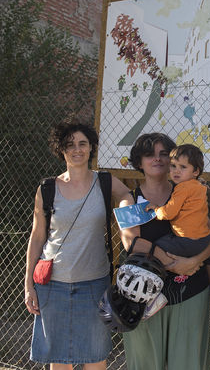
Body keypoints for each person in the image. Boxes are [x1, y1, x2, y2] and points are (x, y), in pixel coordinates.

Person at [24, 121, 134, 370]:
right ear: (60, 149)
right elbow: (38, 236)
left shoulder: (105, 182)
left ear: (91, 147)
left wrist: (126, 216)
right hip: (53, 285)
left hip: (94, 283)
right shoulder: (47, 188)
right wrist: (28, 283)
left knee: (95, 357)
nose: (76, 149)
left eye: (82, 143)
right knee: (59, 359)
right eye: (69, 144)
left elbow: (127, 195)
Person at [120, 133, 210, 370]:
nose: (157, 159)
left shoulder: (189, 192)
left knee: (189, 364)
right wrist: (174, 263)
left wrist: (194, 260)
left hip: (190, 292)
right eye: (149, 154)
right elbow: (131, 243)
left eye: (164, 153)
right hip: (144, 298)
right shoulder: (129, 200)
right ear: (139, 161)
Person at [145, 143, 210, 300]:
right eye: (173, 166)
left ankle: (155, 294)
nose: (176, 171)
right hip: (203, 239)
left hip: (188, 240)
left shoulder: (182, 188)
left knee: (156, 250)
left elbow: (169, 213)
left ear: (195, 171)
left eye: (183, 167)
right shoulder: (199, 186)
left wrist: (156, 209)